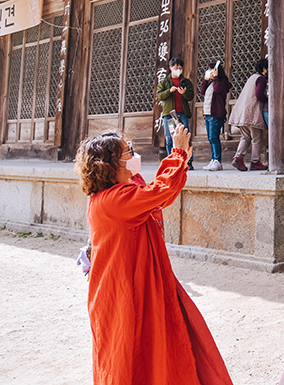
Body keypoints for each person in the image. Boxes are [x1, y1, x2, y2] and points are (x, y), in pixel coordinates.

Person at [77, 125, 233, 385]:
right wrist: (177, 153)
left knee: (154, 349)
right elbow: (159, 193)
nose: (134, 156)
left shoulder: (115, 195)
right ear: (110, 164)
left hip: (137, 283)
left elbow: (157, 195)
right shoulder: (116, 200)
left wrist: (178, 159)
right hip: (126, 292)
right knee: (129, 357)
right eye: (128, 153)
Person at [227, 58, 268, 172]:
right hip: (252, 113)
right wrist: (267, 98)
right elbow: (259, 94)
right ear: (264, 69)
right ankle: (255, 162)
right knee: (257, 138)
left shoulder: (252, 77)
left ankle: (238, 157)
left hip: (242, 113)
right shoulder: (261, 79)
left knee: (245, 137)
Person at [156, 56, 194, 170]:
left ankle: (188, 161)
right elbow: (159, 96)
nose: (178, 69)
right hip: (169, 115)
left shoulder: (186, 82)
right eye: (176, 67)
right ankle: (172, 160)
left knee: (186, 137)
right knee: (170, 138)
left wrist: (184, 93)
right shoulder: (164, 82)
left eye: (180, 67)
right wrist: (169, 91)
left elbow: (191, 96)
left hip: (182, 114)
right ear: (170, 68)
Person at [199, 60, 231, 171]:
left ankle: (217, 160)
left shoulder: (221, 83)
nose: (208, 71)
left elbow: (217, 89)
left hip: (216, 115)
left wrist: (216, 77)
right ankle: (213, 159)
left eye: (210, 70)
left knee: (214, 137)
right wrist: (205, 79)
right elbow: (202, 91)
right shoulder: (211, 83)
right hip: (207, 114)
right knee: (210, 138)